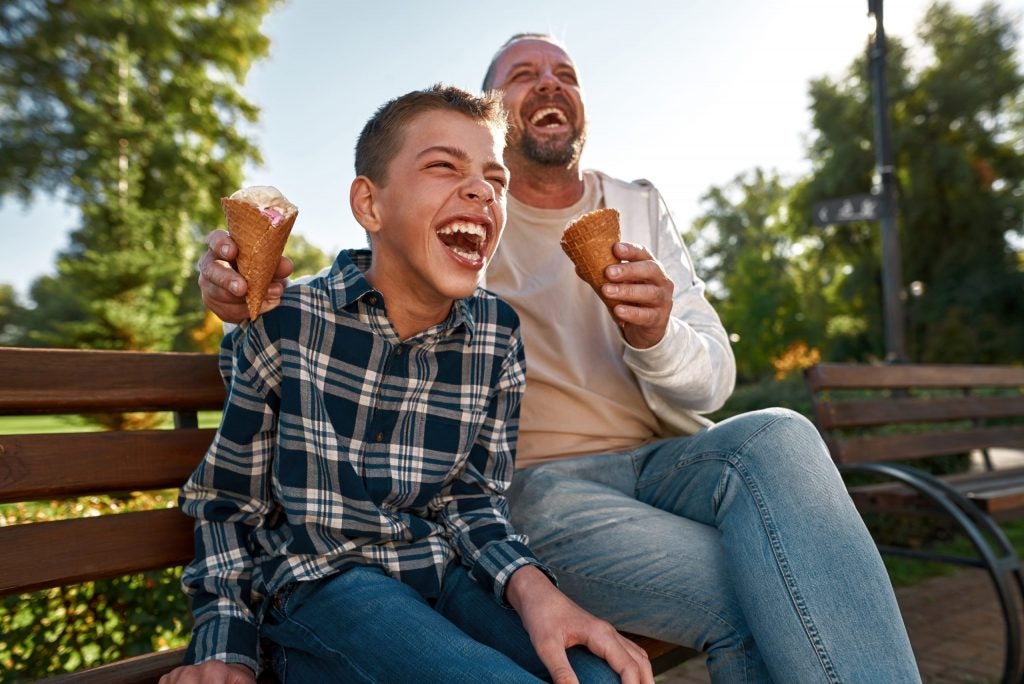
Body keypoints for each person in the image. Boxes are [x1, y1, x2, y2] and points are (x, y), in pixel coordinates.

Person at [198, 36, 921, 682]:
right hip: (483, 519)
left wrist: (656, 332)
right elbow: (363, 294)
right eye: (523, 73)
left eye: (566, 72)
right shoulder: (340, 302)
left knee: (781, 434)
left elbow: (705, 387)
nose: (479, 188)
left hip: (623, 482)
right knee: (769, 594)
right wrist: (237, 287)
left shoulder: (579, 255)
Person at [165, 84, 654, 684]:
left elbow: (474, 502)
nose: (481, 189)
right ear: (369, 205)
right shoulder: (287, 322)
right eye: (443, 166)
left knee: (598, 679)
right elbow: (228, 505)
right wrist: (224, 649)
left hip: (443, 576)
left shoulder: (496, 335)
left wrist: (538, 595)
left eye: (495, 180)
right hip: (323, 590)